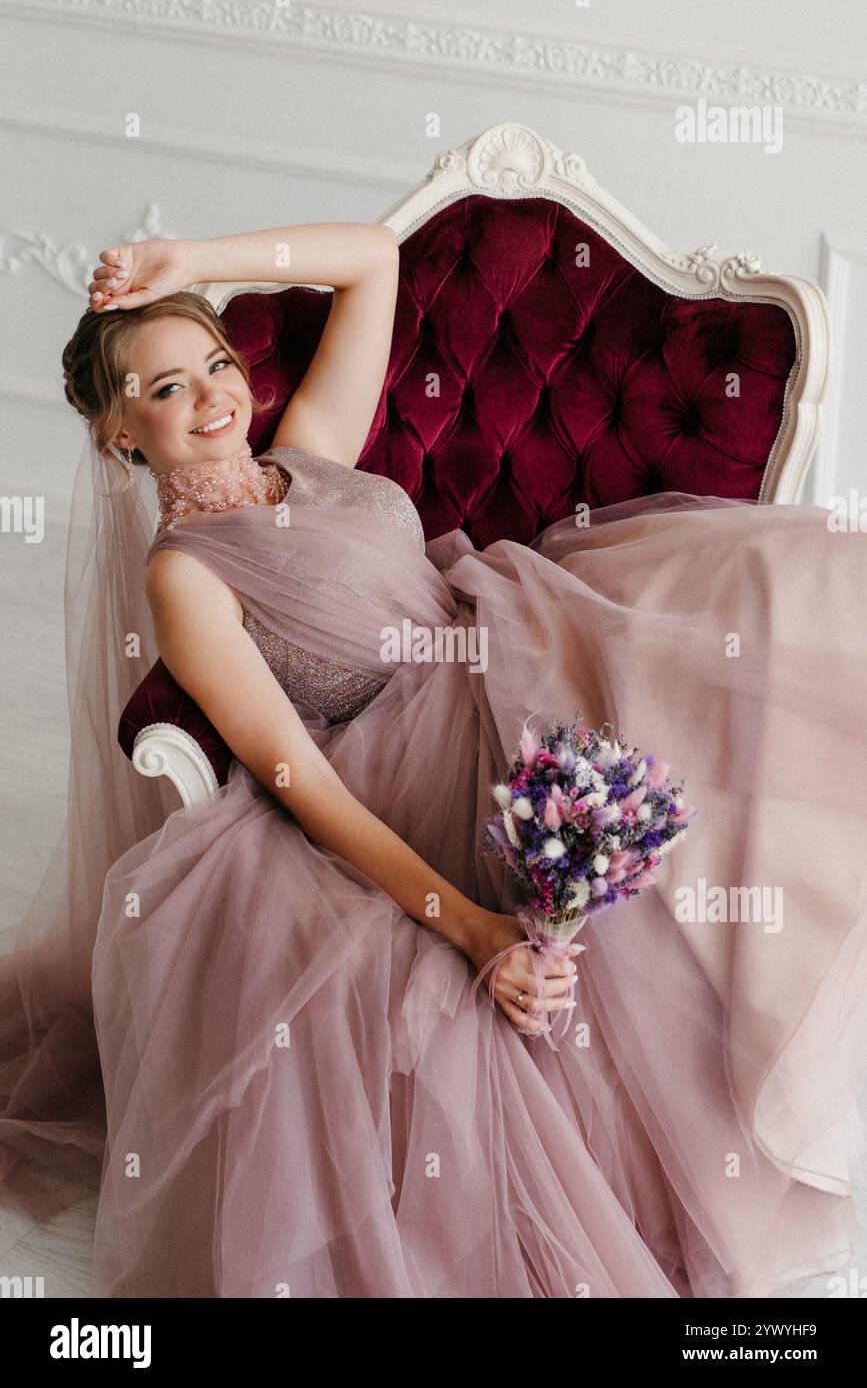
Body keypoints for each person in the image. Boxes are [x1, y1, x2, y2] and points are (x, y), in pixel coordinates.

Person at [2, 224, 866, 1298]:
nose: (214, 397)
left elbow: (372, 257)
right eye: (167, 389)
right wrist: (469, 923)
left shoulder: (304, 446)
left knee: (773, 609)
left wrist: (189, 264)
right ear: (117, 432)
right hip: (406, 758)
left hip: (512, 629)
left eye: (218, 363)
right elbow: (300, 780)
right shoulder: (186, 580)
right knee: (590, 873)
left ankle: (808, 1021)